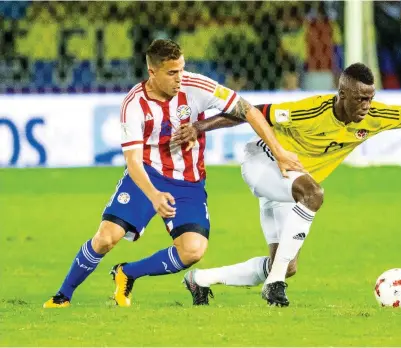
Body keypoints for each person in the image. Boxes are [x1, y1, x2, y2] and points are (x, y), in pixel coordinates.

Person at [172, 62, 401, 307]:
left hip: (291, 187)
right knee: (314, 194)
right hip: (263, 163)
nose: (366, 106)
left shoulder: (378, 115)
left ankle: (201, 280)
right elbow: (249, 110)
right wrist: (200, 127)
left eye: (370, 98)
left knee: (286, 264)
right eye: (359, 99)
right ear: (342, 93)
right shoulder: (309, 110)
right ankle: (273, 285)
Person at [43, 39, 303, 308]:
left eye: (181, 69)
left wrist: (280, 153)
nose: (180, 78)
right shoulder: (134, 104)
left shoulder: (196, 86)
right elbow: (132, 160)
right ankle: (63, 295)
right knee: (107, 237)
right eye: (172, 73)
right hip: (147, 174)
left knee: (193, 251)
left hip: (189, 183)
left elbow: (247, 110)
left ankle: (127, 273)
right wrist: (153, 195)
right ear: (152, 72)